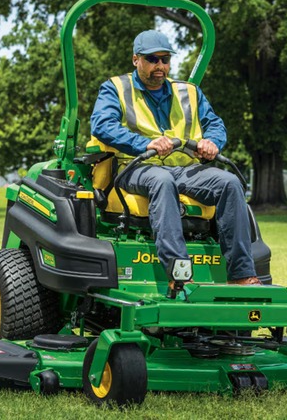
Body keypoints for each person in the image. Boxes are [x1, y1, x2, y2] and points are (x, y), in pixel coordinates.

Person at [90, 30, 260, 286]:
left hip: (185, 169)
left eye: (165, 59)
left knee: (229, 182)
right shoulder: (115, 88)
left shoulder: (189, 92)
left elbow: (215, 124)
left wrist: (212, 142)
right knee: (161, 181)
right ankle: (178, 272)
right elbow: (102, 125)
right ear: (136, 59)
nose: (160, 66)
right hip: (136, 167)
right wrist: (145, 143)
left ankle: (241, 274)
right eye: (152, 59)